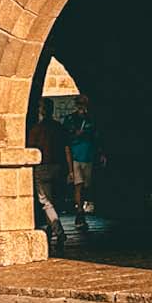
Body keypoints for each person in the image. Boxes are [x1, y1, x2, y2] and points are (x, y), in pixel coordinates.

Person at [28, 97, 71, 252]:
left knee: (46, 203)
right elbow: (67, 149)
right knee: (55, 202)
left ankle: (59, 232)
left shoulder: (36, 129)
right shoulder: (59, 128)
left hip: (42, 167)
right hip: (58, 167)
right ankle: (51, 230)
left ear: (41, 110)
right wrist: (70, 170)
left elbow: (31, 149)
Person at [67, 95, 98, 231]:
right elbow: (66, 138)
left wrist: (100, 152)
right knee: (78, 185)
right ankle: (79, 211)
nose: (81, 106)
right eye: (79, 104)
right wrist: (76, 134)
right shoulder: (70, 119)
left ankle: (83, 207)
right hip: (76, 156)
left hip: (89, 156)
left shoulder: (91, 119)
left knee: (87, 186)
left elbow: (96, 136)